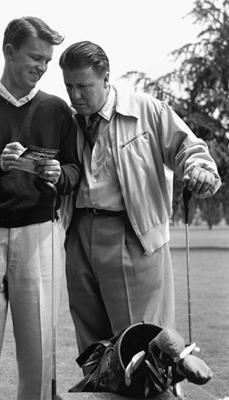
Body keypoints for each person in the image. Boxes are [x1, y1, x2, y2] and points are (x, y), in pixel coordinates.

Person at [58, 41, 221, 357]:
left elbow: (189, 150)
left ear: (106, 79)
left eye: (83, 86)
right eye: (68, 86)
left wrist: (200, 170)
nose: (75, 96)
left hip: (133, 236)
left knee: (143, 345)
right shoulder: (64, 117)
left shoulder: (148, 111)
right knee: (93, 346)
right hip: (78, 234)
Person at [0, 17, 81, 400]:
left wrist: (61, 174)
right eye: (35, 58)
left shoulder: (57, 110)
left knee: (39, 352)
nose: (41, 68)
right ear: (9, 52)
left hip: (40, 234)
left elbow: (75, 169)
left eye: (46, 61)